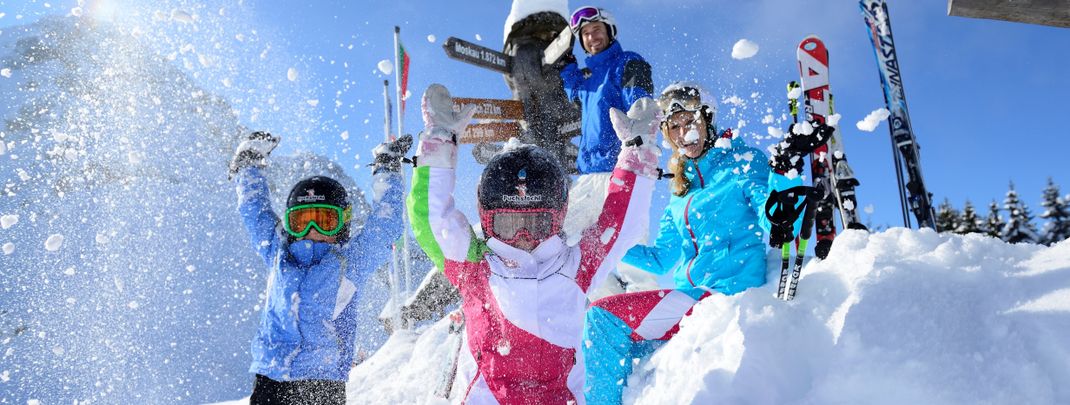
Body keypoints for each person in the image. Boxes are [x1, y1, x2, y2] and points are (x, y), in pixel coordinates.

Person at [407, 83, 660, 403]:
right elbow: (431, 219)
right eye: (509, 225)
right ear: (487, 220)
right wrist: (438, 141)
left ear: (558, 217)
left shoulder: (576, 266)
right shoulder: (475, 268)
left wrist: (637, 153)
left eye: (537, 224)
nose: (523, 239)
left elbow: (621, 225)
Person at [582, 83, 832, 404]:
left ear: (707, 119)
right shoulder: (680, 189)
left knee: (603, 319)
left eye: (690, 122)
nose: (683, 133)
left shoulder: (741, 162)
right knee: (607, 340)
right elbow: (660, 260)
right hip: (690, 299)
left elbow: (778, 223)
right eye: (674, 127)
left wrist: (784, 169)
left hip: (723, 296)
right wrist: (606, 244)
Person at [228, 130, 411, 405]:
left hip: (322, 382)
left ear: (342, 224)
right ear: (289, 225)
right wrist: (248, 166)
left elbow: (385, 225)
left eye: (325, 221)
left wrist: (387, 169)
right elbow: (255, 212)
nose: (312, 231)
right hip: (270, 377)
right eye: (302, 222)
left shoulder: (351, 262)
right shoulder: (278, 252)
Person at [556, 6, 655, 239]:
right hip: (590, 176)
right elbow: (576, 92)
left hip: (619, 172)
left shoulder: (627, 62)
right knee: (564, 242)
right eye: (586, 34)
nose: (592, 37)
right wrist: (565, 65)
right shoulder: (590, 80)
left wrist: (641, 124)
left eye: (597, 30)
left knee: (625, 248)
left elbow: (640, 102)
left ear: (610, 31)